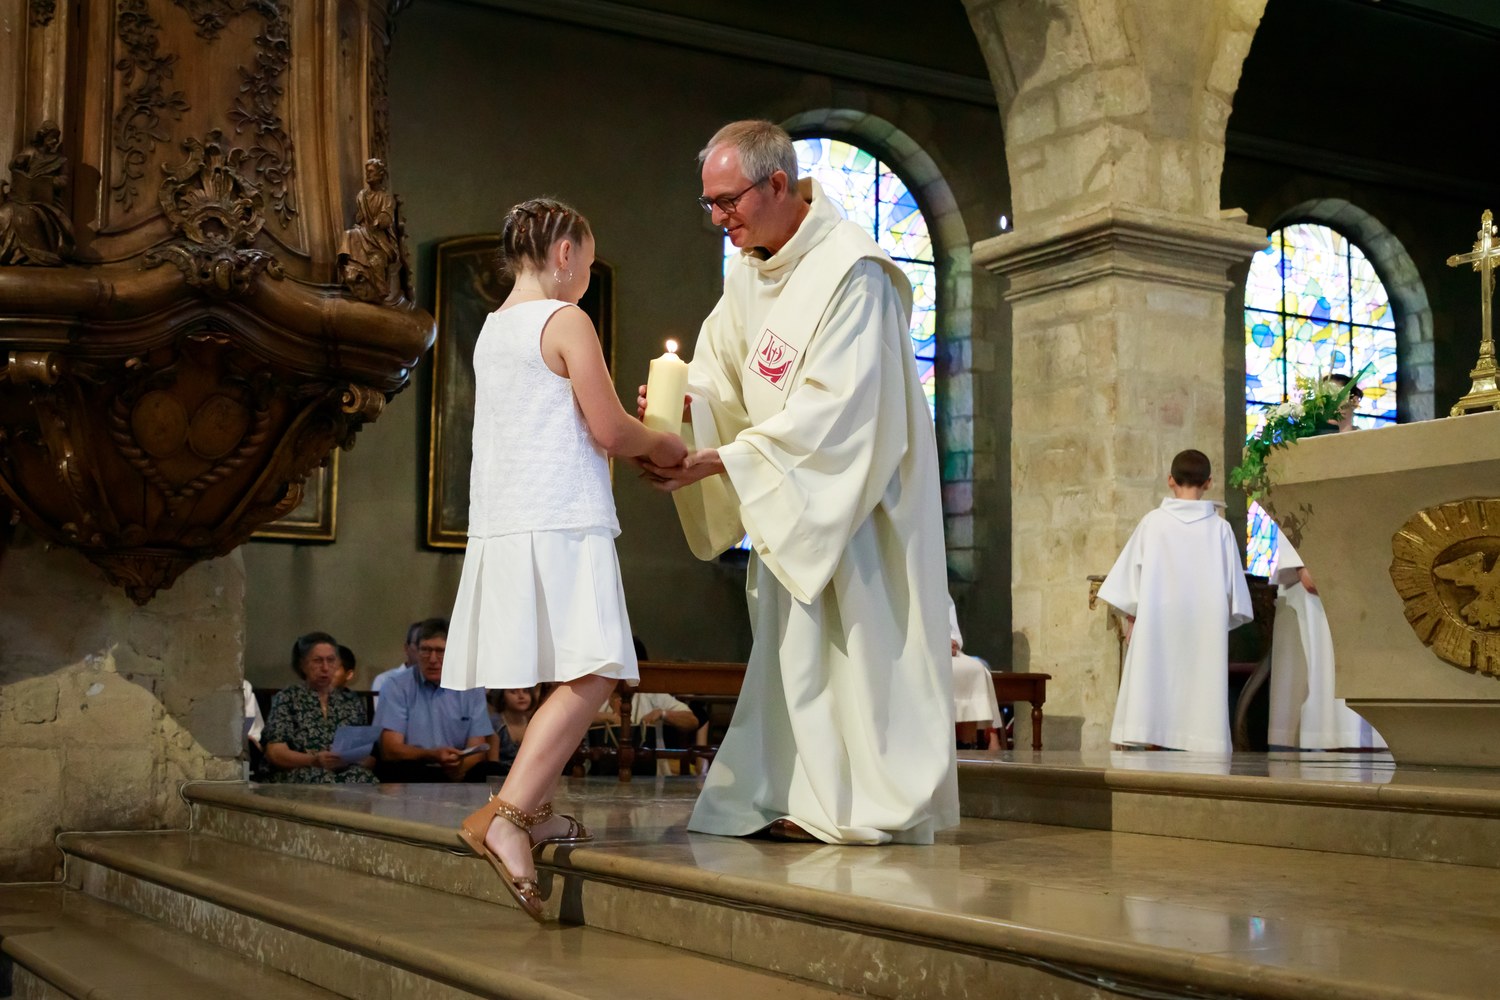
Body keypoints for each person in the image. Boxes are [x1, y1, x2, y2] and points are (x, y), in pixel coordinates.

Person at [638, 120, 957, 845]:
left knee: (853, 656)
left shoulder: (854, 272)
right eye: (709, 204)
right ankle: (790, 796)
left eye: (727, 202)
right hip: (788, 497)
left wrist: (723, 459)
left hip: (857, 506)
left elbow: (841, 412)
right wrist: (685, 413)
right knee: (794, 659)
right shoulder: (749, 272)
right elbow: (719, 378)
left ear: (778, 183)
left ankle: (860, 803)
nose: (718, 219)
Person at [444, 198, 686, 921]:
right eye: (587, 255)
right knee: (599, 666)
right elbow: (608, 429)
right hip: (564, 517)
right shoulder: (566, 319)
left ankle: (538, 811)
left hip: (507, 519)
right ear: (564, 254)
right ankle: (509, 817)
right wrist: (664, 443)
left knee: (563, 666)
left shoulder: (492, 329)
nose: (585, 271)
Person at [1097, 449, 1254, 752]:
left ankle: (1150, 736)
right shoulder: (1220, 530)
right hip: (1203, 630)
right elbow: (1234, 594)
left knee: (1154, 689)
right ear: (1209, 482)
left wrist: (1133, 618)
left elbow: (1129, 582)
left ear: (1170, 480)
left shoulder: (1152, 524)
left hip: (1158, 625)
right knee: (1200, 694)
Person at [1268, 533, 1387, 750]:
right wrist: (1300, 563)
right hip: (1319, 566)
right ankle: (1334, 737)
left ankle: (1370, 736)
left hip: (1371, 564)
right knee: (1325, 664)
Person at [372, 618, 492, 783]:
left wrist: (459, 769)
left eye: (440, 651)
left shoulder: (471, 688)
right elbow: (391, 749)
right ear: (416, 651)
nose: (433, 659)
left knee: (491, 771)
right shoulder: (396, 686)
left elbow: (478, 748)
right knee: (396, 769)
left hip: (457, 769)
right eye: (425, 650)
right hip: (414, 767)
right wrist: (432, 755)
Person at [261, 632, 378, 784]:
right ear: (302, 665)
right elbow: (275, 753)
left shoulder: (350, 701)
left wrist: (349, 760)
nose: (325, 667)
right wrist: (313, 760)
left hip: (343, 771)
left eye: (331, 660)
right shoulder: (288, 698)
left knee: (365, 779)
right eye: (317, 661)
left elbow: (368, 758)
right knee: (324, 780)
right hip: (300, 771)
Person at [949, 600, 1003, 752]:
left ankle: (967, 744)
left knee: (977, 669)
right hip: (923, 650)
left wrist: (953, 640)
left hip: (947, 650)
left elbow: (948, 614)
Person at [486, 687, 536, 774]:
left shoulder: (535, 721)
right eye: (513, 692)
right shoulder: (496, 724)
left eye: (525, 691)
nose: (521, 696)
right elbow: (493, 766)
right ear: (502, 696)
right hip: (502, 776)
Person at [370, 621, 421, 705]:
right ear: (406, 648)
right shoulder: (385, 680)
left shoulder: (439, 682)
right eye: (419, 645)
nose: (426, 652)